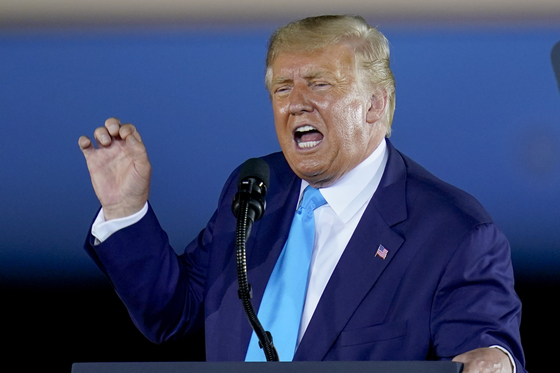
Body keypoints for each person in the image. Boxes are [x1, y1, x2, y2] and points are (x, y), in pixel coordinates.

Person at [78, 15, 526, 373]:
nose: (296, 102)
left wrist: (494, 358)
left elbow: (483, 348)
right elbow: (173, 315)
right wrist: (125, 209)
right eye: (282, 88)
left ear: (376, 104)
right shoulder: (255, 188)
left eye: (320, 83)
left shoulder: (453, 232)